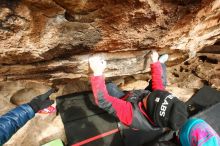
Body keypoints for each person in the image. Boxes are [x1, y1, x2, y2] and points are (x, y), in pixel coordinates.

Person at [89, 51, 188, 141]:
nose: (151, 94)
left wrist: (98, 73)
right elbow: (158, 85)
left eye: (149, 99)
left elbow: (103, 100)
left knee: (110, 87)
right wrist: (155, 63)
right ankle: (160, 63)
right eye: (156, 94)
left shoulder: (130, 115)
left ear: (149, 111)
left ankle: (96, 93)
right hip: (140, 102)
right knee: (161, 82)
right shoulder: (159, 99)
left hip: (129, 103)